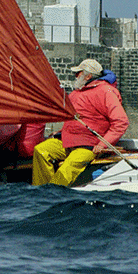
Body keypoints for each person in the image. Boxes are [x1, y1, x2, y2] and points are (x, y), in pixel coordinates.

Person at [32, 59, 129, 187]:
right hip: (68, 141)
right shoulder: (75, 93)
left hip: (89, 145)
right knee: (41, 150)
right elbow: (77, 119)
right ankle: (40, 191)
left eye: (78, 73)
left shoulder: (106, 91)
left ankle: (53, 194)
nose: (75, 76)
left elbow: (121, 122)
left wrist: (103, 144)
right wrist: (62, 132)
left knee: (67, 168)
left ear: (88, 76)